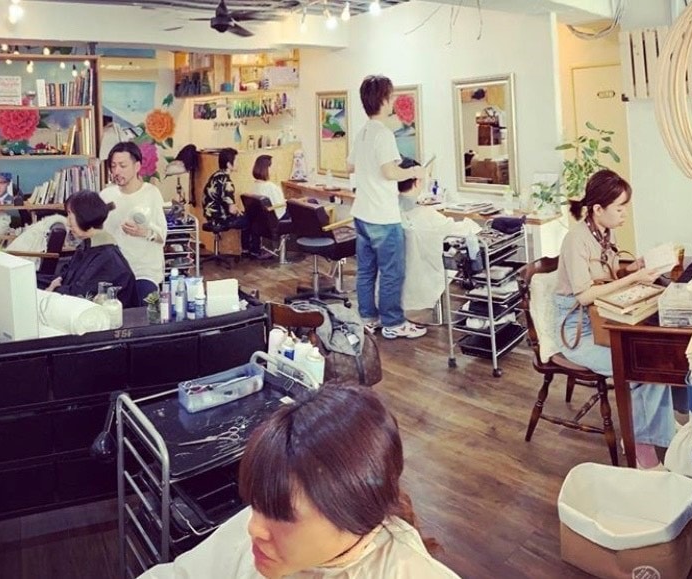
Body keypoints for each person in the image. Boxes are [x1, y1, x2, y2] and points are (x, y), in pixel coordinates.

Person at [139, 386, 460, 579]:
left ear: (356, 517)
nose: (253, 528)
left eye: (282, 516)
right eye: (256, 504)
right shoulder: (260, 529)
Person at [555, 169, 675, 469]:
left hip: (604, 318)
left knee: (658, 356)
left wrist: (631, 268)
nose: (624, 214)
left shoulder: (607, 233)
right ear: (598, 209)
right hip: (578, 329)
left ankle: (653, 430)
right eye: (620, 208)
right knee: (641, 368)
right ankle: (639, 447)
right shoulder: (576, 240)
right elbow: (584, 295)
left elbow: (607, 277)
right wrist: (633, 277)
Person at [347, 75, 427, 340]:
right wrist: (414, 171)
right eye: (391, 96)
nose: (393, 101)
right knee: (392, 272)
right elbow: (390, 172)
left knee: (366, 271)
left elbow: (350, 166)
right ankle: (393, 322)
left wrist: (370, 168)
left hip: (361, 214)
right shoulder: (383, 134)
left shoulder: (363, 133)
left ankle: (367, 318)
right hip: (382, 216)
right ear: (383, 99)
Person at [100, 142, 167, 300]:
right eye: (113, 166)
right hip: (114, 272)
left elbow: (162, 236)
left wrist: (143, 232)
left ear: (137, 166)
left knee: (146, 309)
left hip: (144, 272)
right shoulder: (106, 195)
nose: (117, 171)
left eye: (122, 166)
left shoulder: (151, 193)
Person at [45, 190, 137, 305]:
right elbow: (67, 274)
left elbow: (78, 296)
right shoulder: (89, 245)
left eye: (70, 215)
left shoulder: (107, 258)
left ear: (85, 217)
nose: (67, 223)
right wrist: (55, 282)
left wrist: (51, 289)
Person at [204, 147, 258, 255]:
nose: (238, 164)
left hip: (210, 216)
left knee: (244, 215)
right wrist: (237, 210)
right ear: (229, 164)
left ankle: (247, 250)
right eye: (236, 161)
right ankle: (250, 251)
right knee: (251, 220)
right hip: (221, 218)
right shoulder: (227, 182)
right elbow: (231, 210)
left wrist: (236, 209)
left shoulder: (215, 176)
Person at [252, 154, 289, 222]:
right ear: (267, 168)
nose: (274, 169)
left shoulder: (255, 185)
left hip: (263, 219)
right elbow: (280, 205)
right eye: (272, 166)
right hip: (278, 217)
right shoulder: (270, 186)